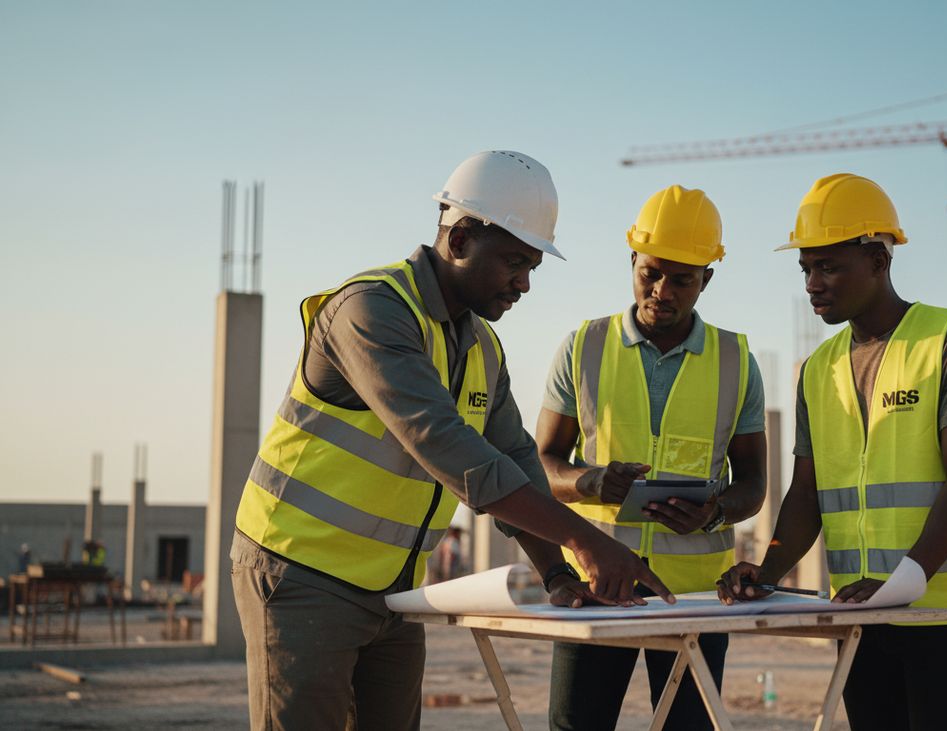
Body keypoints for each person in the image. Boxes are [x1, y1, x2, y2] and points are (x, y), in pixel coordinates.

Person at [230, 150, 673, 731]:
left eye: (534, 265)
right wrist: (585, 540)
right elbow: (446, 447)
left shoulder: (482, 348)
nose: (526, 283)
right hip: (302, 573)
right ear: (460, 238)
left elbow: (515, 459)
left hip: (393, 588)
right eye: (515, 262)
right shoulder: (373, 311)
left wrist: (558, 573)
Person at [717, 173, 947, 731]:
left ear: (879, 261)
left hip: (944, 608)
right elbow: (805, 491)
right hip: (859, 610)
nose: (812, 283)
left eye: (828, 266)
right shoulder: (818, 370)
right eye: (806, 268)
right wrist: (770, 569)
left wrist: (904, 580)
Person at [537, 185, 767, 731]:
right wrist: (590, 481)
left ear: (707, 278)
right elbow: (539, 465)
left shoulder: (737, 361)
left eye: (682, 279)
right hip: (595, 586)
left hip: (693, 599)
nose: (662, 290)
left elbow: (755, 482)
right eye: (650, 273)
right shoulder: (583, 347)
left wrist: (715, 511)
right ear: (633, 260)